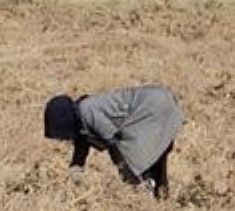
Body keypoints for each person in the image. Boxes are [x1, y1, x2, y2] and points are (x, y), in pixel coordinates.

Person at [43, 85, 183, 200]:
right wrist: (70, 184)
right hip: (159, 100)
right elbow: (79, 155)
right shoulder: (82, 117)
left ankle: (149, 194)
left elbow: (113, 140)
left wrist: (127, 173)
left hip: (152, 107)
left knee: (131, 156)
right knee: (152, 155)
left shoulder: (86, 110)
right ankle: (161, 196)